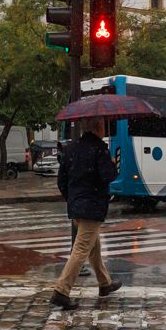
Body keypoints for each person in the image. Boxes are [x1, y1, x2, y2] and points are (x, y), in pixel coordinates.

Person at [49, 115, 122, 311]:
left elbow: (61, 180)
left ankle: (104, 284)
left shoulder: (71, 149)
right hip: (92, 206)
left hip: (76, 206)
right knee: (81, 249)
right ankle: (61, 291)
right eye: (104, 125)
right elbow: (108, 176)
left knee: (93, 247)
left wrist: (71, 198)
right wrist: (113, 163)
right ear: (98, 127)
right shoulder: (100, 149)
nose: (105, 129)